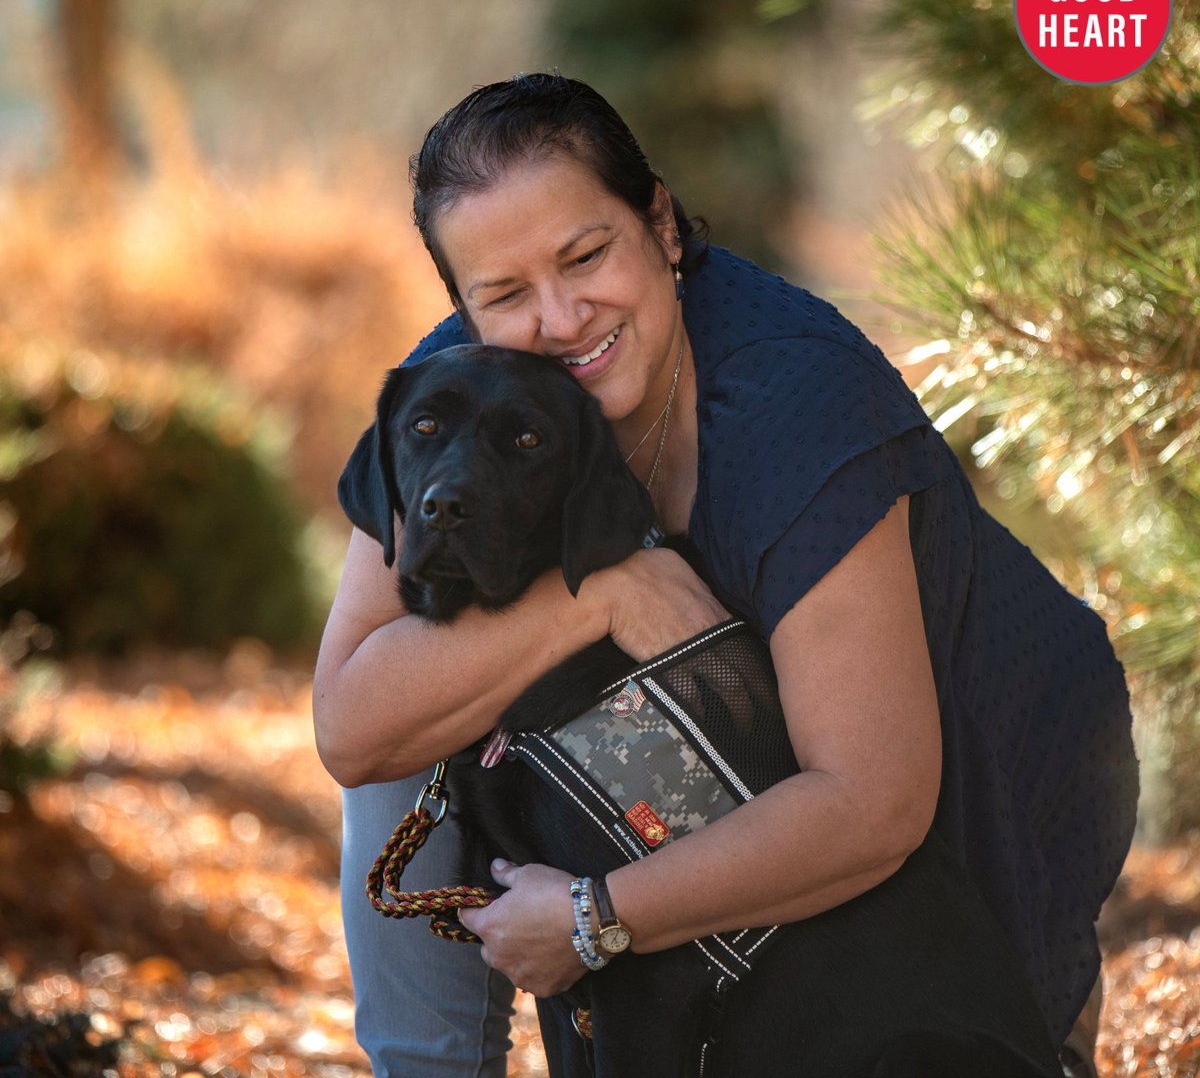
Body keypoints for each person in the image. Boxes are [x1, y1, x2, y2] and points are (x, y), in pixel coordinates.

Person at [314, 73, 1138, 1078]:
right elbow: (355, 729)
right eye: (505, 294)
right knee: (423, 678)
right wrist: (604, 593)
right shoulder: (453, 394)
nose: (560, 318)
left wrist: (592, 917)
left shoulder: (796, 404)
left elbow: (874, 803)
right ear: (463, 309)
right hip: (732, 790)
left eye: (586, 255)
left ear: (661, 225)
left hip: (972, 765)